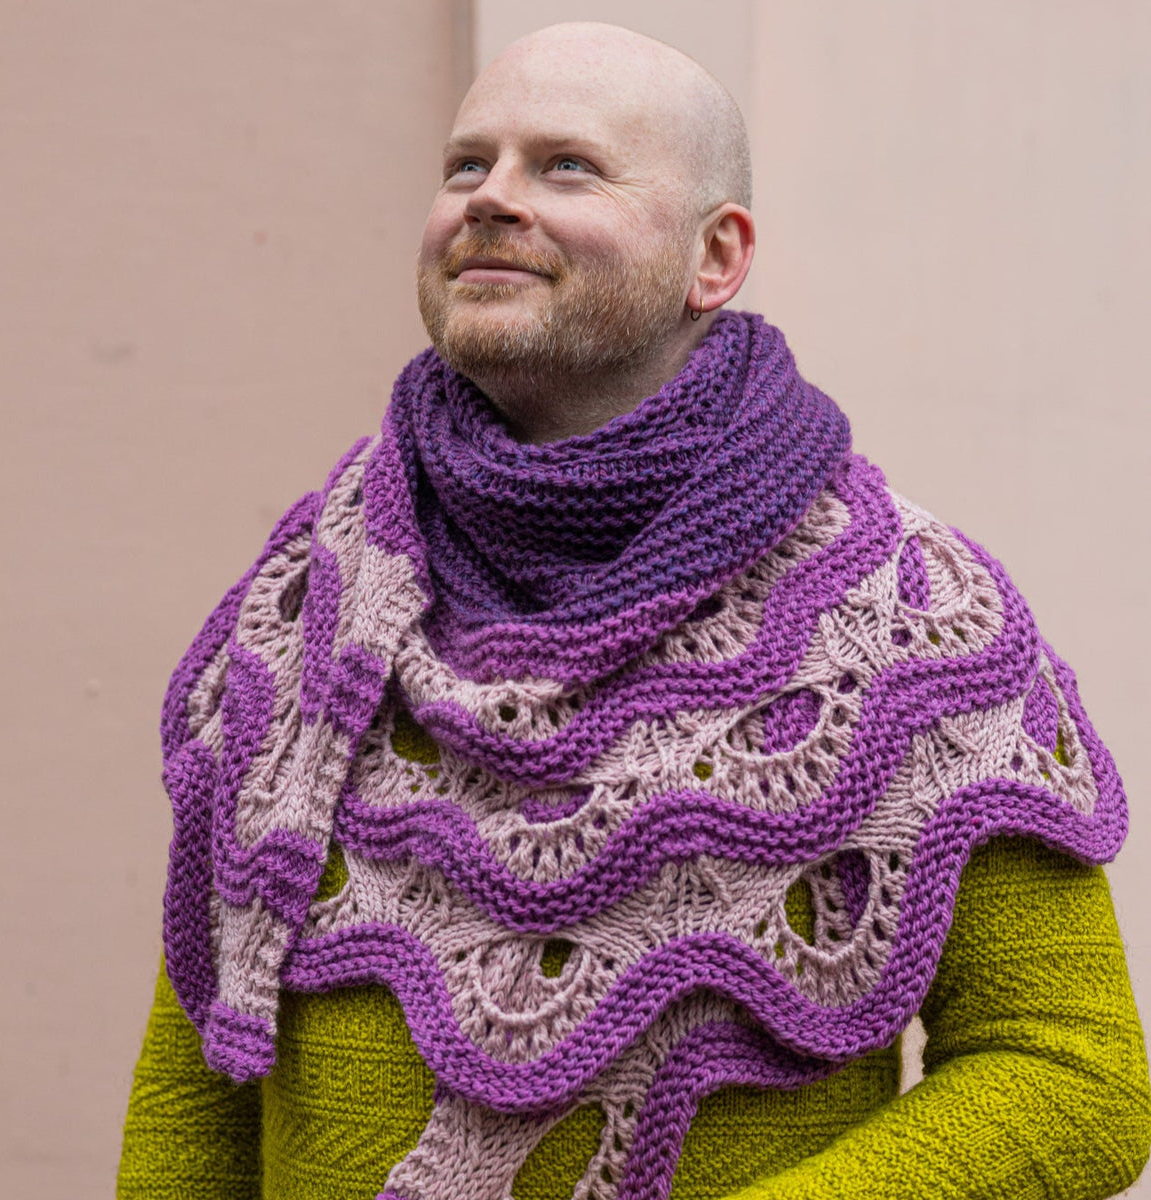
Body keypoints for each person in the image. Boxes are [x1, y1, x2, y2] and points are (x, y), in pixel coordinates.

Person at [118, 21, 1151, 1200]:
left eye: (566, 166)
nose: (492, 199)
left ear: (716, 257)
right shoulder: (311, 602)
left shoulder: (910, 624)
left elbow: (1071, 1073)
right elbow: (202, 1068)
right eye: (467, 164)